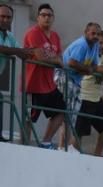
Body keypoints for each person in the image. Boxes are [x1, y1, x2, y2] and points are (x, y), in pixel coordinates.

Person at [21, 4, 65, 149]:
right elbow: (39, 57)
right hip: (33, 84)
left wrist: (54, 59)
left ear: (53, 18)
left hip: (49, 85)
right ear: (38, 17)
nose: (47, 18)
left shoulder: (55, 36)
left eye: (49, 15)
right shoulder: (33, 33)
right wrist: (55, 60)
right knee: (29, 118)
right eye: (43, 15)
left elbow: (60, 57)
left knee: (61, 112)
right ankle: (24, 146)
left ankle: (45, 142)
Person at [61, 21, 102, 151]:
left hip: (76, 80)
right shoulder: (82, 44)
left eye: (98, 34)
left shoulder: (95, 46)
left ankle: (69, 146)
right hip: (64, 75)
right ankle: (62, 147)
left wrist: (87, 69)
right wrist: (86, 69)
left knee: (73, 115)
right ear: (86, 33)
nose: (95, 36)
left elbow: (95, 65)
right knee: (67, 113)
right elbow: (71, 62)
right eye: (93, 33)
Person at [75, 29, 103, 156]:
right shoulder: (91, 55)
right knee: (79, 131)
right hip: (86, 97)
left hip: (97, 99)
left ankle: (97, 155)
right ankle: (73, 153)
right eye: (101, 43)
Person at [0, 3, 31, 142]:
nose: (6, 20)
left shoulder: (9, 36)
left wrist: (33, 52)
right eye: (2, 16)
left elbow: (22, 53)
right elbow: (2, 49)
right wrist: (19, 51)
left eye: (8, 17)